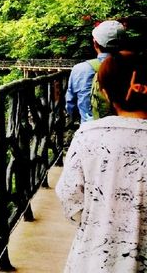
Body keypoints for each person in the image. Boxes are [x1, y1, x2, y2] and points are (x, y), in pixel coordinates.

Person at [56, 53, 147, 272]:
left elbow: (69, 196)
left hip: (93, 259)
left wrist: (96, 221)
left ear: (105, 93)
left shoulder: (87, 135)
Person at [65, 20, 126, 122]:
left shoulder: (80, 69)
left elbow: (70, 104)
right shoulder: (134, 68)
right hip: (126, 130)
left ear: (95, 44)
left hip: (90, 131)